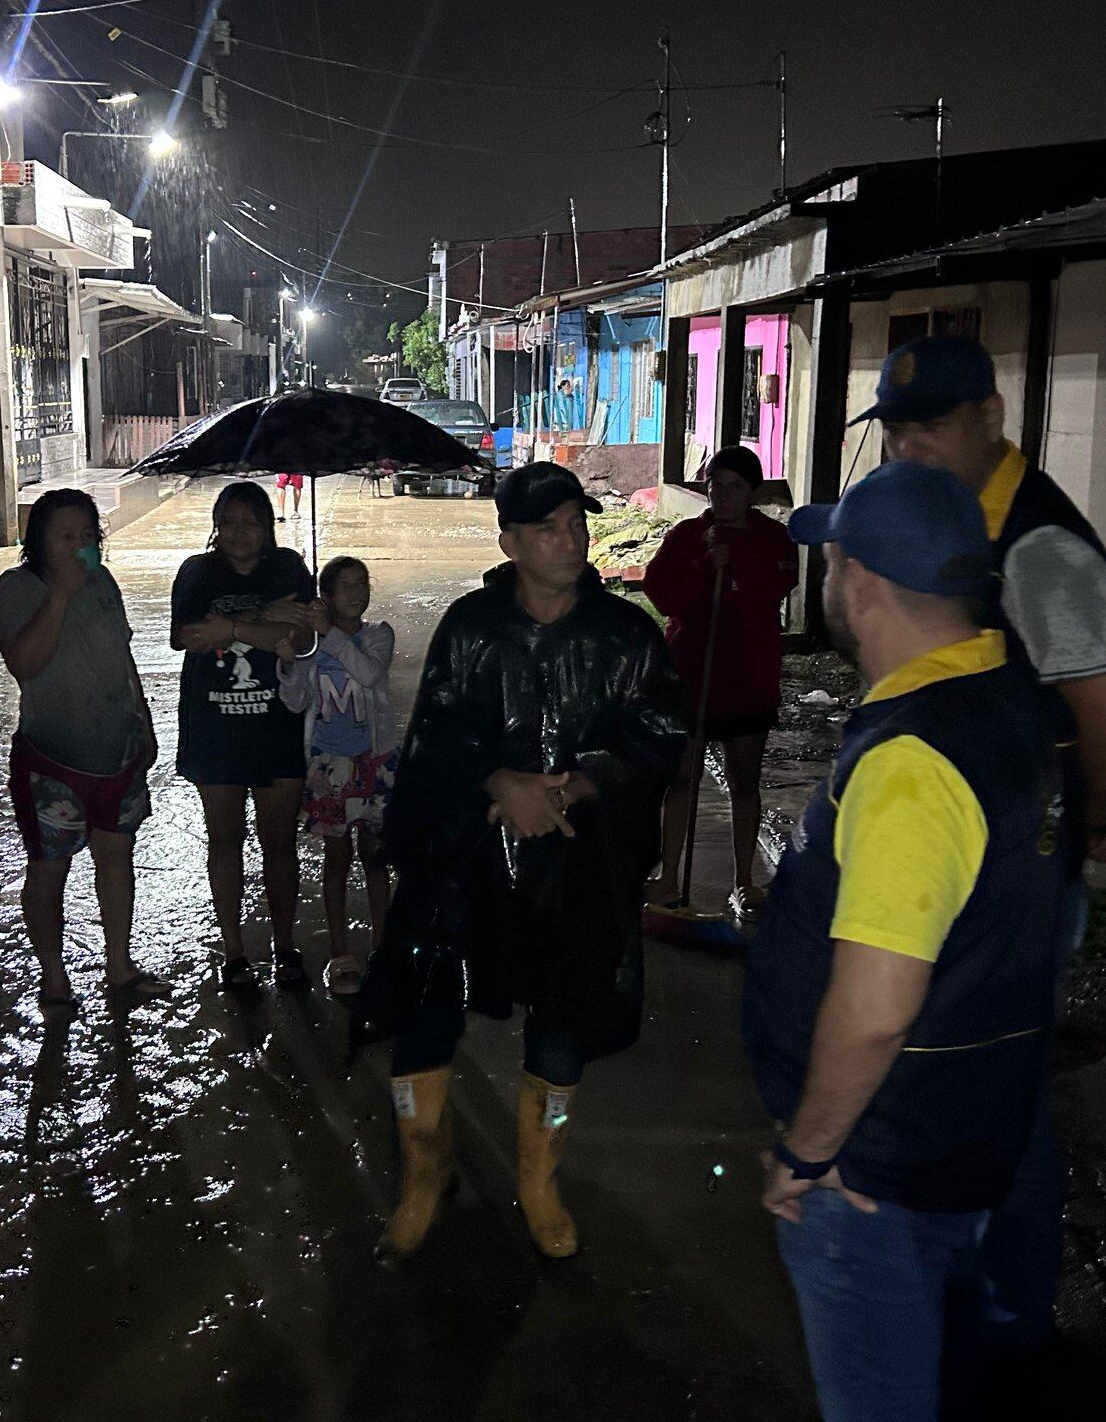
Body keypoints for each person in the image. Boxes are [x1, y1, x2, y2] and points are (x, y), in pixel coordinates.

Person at [743, 460, 1076, 1422]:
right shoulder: (1011, 697)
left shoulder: (913, 762)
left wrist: (807, 1156)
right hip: (974, 1133)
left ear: (861, 582)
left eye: (833, 560)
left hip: (871, 1177)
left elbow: (877, 1007)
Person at [866, 332, 1106, 1349]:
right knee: (972, 1079)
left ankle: (997, 1307)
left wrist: (1087, 820)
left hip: (1012, 876)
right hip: (965, 861)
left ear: (990, 419)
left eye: (929, 427)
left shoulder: (1036, 550)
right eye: (894, 430)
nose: (907, 449)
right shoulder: (953, 524)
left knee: (995, 1087)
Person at [363, 462, 685, 1261]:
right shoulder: (471, 627)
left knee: (561, 1029)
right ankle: (423, 1172)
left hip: (575, 865)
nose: (570, 538)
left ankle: (541, 1178)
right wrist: (498, 782)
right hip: (468, 859)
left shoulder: (626, 634)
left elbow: (659, 737)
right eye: (548, 527)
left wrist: (576, 787)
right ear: (509, 542)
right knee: (425, 1013)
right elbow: (433, 733)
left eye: (576, 522)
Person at [0, 489, 169, 1010]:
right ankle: (53, 976)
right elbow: (23, 664)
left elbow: (122, 655)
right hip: (52, 757)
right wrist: (62, 596)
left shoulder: (104, 582)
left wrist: (145, 719)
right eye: (65, 536)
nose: (78, 546)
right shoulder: (15, 588)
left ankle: (119, 965)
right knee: (49, 866)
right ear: (38, 542)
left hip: (118, 748)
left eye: (87, 536)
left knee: (116, 856)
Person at [169, 481, 316, 991]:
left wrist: (228, 628)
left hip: (279, 726)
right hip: (215, 731)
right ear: (215, 525)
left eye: (250, 523)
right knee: (223, 841)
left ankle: (284, 945)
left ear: (268, 528)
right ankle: (234, 951)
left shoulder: (290, 567)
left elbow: (303, 639)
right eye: (228, 522)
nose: (238, 533)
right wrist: (262, 621)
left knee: (280, 844)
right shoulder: (196, 571)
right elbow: (185, 635)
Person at [642, 444, 799, 912]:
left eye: (735, 487)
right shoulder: (687, 536)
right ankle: (669, 878)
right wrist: (702, 566)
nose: (723, 496)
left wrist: (736, 569)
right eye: (715, 487)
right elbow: (662, 594)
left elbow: (774, 590)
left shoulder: (774, 540)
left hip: (747, 677)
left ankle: (744, 881)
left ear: (752, 493)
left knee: (744, 782)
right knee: (681, 780)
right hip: (690, 675)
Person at [276, 555, 396, 999]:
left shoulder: (378, 635)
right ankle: (341, 952)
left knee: (376, 858)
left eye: (361, 584)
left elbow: (368, 673)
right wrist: (289, 664)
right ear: (325, 597)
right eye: (344, 586)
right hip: (329, 766)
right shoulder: (313, 645)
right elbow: (295, 701)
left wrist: (329, 635)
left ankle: (383, 947)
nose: (356, 592)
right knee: (337, 859)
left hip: (373, 761)